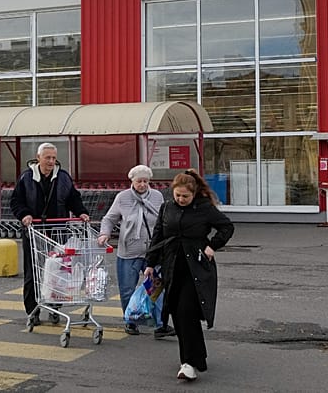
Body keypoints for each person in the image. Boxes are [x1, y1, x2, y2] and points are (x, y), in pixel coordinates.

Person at [144, 169, 234, 382]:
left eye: (185, 196)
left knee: (186, 312)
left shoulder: (204, 208)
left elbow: (226, 227)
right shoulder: (166, 208)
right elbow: (158, 235)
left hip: (197, 269)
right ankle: (196, 357)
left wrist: (213, 246)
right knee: (177, 313)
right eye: (178, 195)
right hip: (172, 267)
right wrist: (150, 263)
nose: (181, 199)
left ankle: (189, 363)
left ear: (194, 194)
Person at [10, 142, 90, 324]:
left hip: (58, 231)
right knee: (33, 272)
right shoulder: (26, 177)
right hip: (34, 232)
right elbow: (16, 202)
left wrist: (81, 212)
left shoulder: (62, 177)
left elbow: (72, 199)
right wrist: (24, 215)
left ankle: (55, 308)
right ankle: (33, 311)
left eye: (54, 158)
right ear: (38, 158)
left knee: (58, 273)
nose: (51, 161)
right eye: (47, 158)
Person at [97, 164, 175, 338]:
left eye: (146, 181)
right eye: (139, 181)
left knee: (155, 289)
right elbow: (110, 218)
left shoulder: (156, 196)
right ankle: (131, 321)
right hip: (129, 250)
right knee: (127, 289)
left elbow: (164, 220)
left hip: (153, 252)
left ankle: (159, 325)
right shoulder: (122, 197)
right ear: (132, 180)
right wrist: (104, 234)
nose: (143, 185)